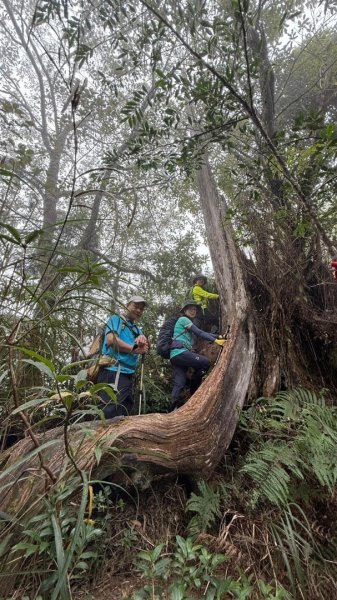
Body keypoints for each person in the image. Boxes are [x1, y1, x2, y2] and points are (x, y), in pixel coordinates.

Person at [96, 296, 149, 418]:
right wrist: (134, 348)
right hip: (114, 370)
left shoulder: (136, 329)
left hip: (128, 374)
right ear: (127, 305)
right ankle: (104, 437)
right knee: (109, 411)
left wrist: (143, 341)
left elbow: (144, 347)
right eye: (135, 306)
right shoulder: (117, 319)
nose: (138, 311)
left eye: (141, 309)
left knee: (124, 412)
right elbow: (111, 340)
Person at [170, 300, 225, 410]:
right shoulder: (183, 319)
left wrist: (218, 336)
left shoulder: (187, 323)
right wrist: (216, 340)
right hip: (181, 352)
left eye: (195, 309)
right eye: (190, 309)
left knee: (179, 383)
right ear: (185, 310)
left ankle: (173, 409)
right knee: (205, 363)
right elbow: (199, 332)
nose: (193, 311)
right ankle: (194, 390)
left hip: (175, 356)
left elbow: (201, 332)